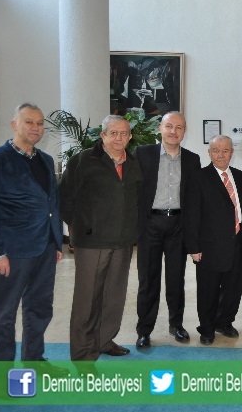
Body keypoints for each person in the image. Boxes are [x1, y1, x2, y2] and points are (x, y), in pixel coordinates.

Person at [0, 103, 68, 395]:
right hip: (12, 252)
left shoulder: (45, 159)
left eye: (40, 123)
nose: (36, 127)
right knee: (4, 315)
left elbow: (52, 203)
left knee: (40, 309)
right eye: (29, 122)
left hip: (44, 248)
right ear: (14, 124)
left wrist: (56, 241)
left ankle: (34, 359)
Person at [60, 114, 143, 362]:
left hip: (123, 242)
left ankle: (104, 340)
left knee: (114, 297)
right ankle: (83, 353)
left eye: (124, 133)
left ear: (130, 137)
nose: (119, 138)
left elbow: (138, 200)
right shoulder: (83, 161)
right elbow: (64, 198)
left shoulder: (133, 163)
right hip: (92, 243)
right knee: (87, 300)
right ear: (103, 135)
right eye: (113, 133)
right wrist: (81, 228)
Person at [134, 111, 201, 349]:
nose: (174, 131)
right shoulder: (143, 154)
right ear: (160, 129)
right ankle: (144, 330)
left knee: (176, 280)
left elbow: (193, 199)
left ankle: (176, 324)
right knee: (148, 280)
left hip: (178, 226)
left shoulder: (192, 159)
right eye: (169, 126)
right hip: (150, 224)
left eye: (179, 127)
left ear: (184, 131)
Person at [185, 135, 242, 345]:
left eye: (225, 150)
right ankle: (207, 328)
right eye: (216, 150)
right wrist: (193, 247)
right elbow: (191, 214)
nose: (221, 155)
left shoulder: (240, 177)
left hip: (237, 243)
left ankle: (225, 322)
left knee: (233, 288)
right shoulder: (198, 177)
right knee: (208, 290)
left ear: (232, 152)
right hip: (209, 246)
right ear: (209, 153)